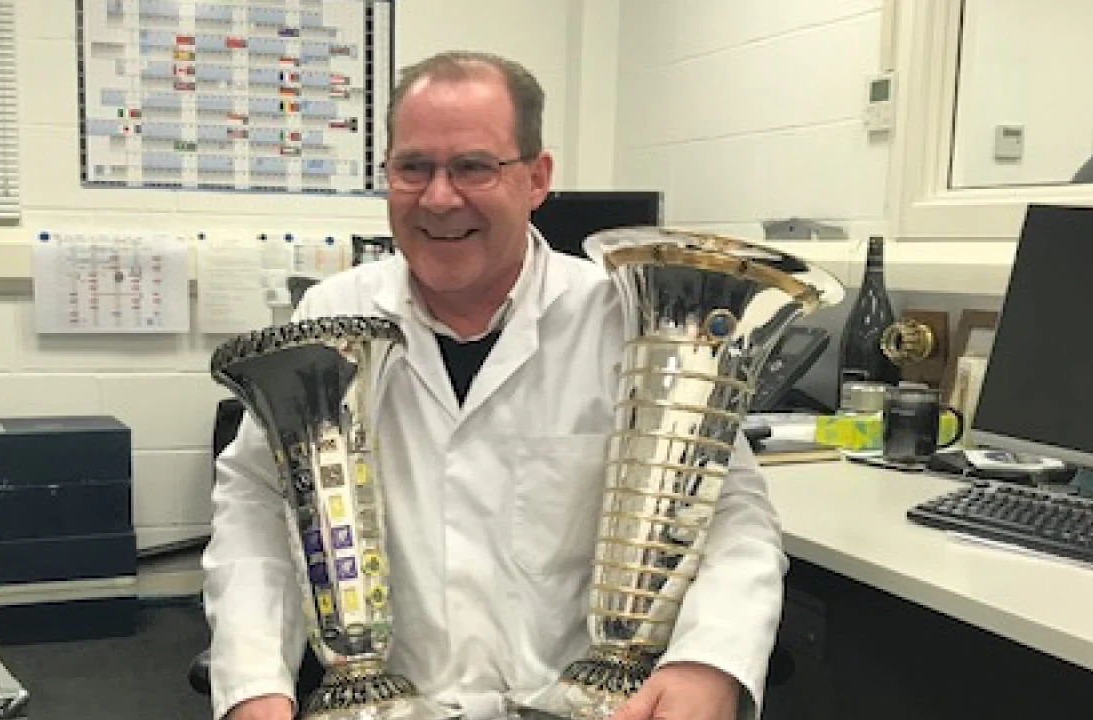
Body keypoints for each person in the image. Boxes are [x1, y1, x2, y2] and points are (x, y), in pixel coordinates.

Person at [202, 51, 785, 720]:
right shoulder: (328, 316)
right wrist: (254, 687)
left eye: (474, 166)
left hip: (579, 706)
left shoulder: (629, 316)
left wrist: (708, 663)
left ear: (537, 178)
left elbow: (732, 512)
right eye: (413, 167)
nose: (439, 197)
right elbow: (254, 506)